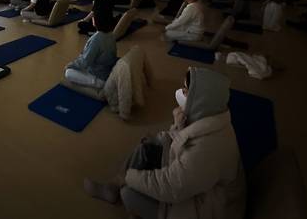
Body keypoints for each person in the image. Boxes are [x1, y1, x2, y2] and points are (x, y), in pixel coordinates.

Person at [83, 67, 246, 219]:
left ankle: (121, 182)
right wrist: (176, 127)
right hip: (195, 186)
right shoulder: (210, 116)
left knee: (128, 194)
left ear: (200, 100)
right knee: (146, 148)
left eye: (186, 91)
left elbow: (172, 186)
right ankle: (114, 185)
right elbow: (183, 141)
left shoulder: (208, 150)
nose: (181, 93)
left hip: (204, 208)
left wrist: (130, 177)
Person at [64, 9, 118, 89]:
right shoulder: (111, 34)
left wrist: (69, 65)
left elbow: (85, 62)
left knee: (68, 73)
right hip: (107, 71)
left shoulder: (97, 39)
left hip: (99, 78)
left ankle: (96, 83)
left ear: (96, 21)